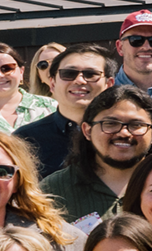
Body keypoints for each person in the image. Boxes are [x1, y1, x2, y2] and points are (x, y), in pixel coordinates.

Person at [45, 86, 152, 222]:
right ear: (87, 131)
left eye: (136, 124)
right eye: (110, 123)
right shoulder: (53, 190)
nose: (124, 133)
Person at [14, 45, 113, 179]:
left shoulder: (127, 133)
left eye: (91, 74)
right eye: (68, 74)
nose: (79, 80)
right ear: (52, 84)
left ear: (109, 84)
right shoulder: (25, 140)